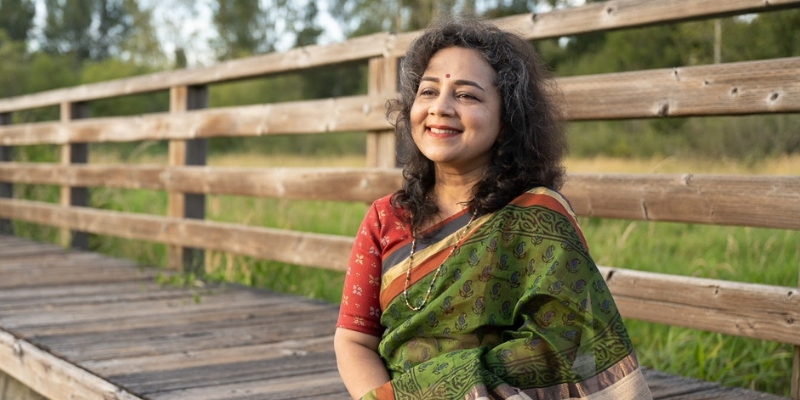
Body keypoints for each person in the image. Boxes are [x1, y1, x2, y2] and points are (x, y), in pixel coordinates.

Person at [334, 16, 652, 400]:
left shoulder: (537, 216)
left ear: (508, 117)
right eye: (428, 91)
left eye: (467, 95)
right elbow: (354, 340)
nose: (441, 108)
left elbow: (567, 346)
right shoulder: (386, 217)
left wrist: (463, 382)